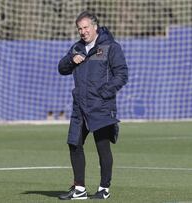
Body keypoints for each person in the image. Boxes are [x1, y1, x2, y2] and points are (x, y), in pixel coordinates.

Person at [58, 11, 128, 200]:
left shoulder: (110, 47)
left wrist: (104, 93)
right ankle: (79, 189)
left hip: (101, 106)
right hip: (80, 107)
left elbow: (121, 74)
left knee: (102, 147)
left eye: (86, 27)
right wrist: (71, 60)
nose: (83, 31)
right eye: (80, 28)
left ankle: (104, 188)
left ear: (95, 27)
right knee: (74, 144)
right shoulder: (77, 48)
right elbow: (62, 68)